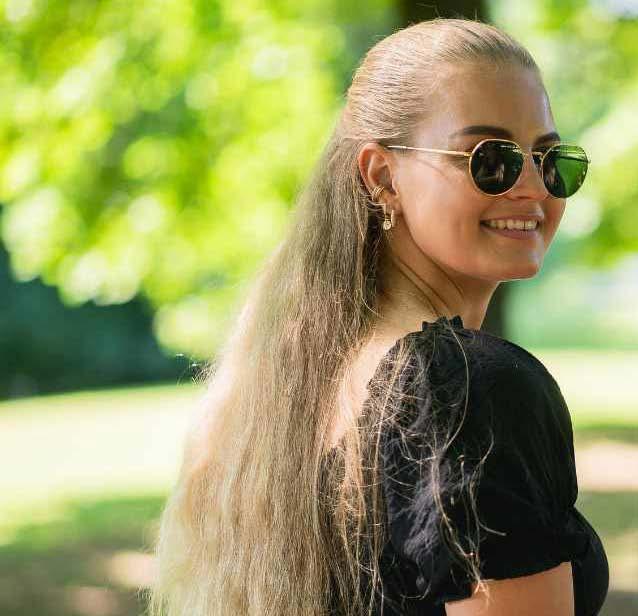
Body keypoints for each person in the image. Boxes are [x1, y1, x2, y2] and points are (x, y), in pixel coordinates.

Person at [151, 19, 607, 616]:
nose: (530, 186)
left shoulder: (306, 379)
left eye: (550, 159)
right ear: (382, 177)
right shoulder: (475, 391)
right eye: (490, 158)